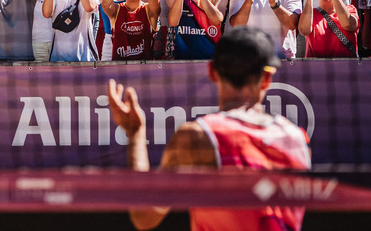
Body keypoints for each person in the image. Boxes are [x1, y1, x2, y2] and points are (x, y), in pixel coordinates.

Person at [108, 27, 310, 231]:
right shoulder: (298, 140)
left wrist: (135, 133)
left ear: (212, 71)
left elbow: (143, 215)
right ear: (267, 79)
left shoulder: (198, 137)